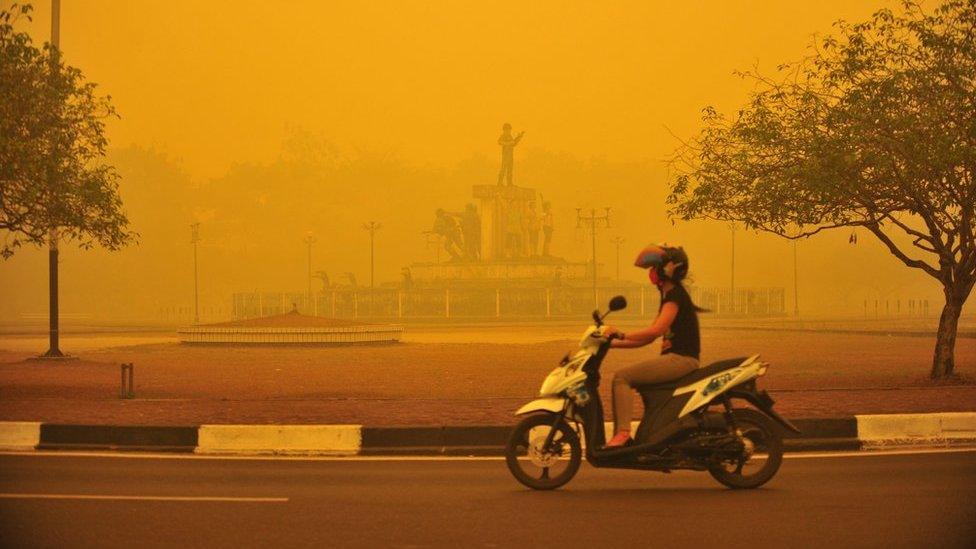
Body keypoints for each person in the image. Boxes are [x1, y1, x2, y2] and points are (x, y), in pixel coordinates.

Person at [602, 244, 704, 448]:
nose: (651, 272)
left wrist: (621, 334)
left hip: (682, 360)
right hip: (675, 359)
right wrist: (610, 345)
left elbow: (656, 330)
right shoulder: (669, 295)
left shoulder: (675, 295)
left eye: (654, 267)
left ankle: (622, 434)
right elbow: (647, 339)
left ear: (669, 269)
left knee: (622, 378)